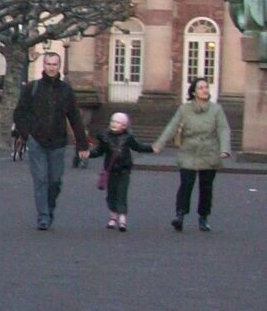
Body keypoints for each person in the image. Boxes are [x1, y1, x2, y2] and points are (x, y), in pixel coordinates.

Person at [11, 52, 90, 230]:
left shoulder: (65, 90)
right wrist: (26, 133)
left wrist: (82, 144)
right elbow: (19, 113)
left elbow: (75, 118)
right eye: (48, 64)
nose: (51, 67)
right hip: (36, 141)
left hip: (58, 142)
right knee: (40, 179)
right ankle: (43, 217)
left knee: (55, 181)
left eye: (54, 64)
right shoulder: (33, 88)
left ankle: (49, 207)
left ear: (59, 66)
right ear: (43, 66)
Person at [153, 77, 232, 232]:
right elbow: (172, 127)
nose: (204, 90)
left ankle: (203, 217)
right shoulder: (185, 109)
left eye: (206, 87)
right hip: (188, 151)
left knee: (206, 187)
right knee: (186, 185)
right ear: (194, 92)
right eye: (201, 88)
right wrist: (159, 144)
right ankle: (180, 215)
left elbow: (223, 129)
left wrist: (225, 149)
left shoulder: (216, 109)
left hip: (209, 151)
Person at [86, 112, 153, 232]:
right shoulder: (105, 137)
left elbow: (138, 147)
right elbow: (99, 151)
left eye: (118, 123)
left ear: (124, 126)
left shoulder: (128, 138)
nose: (114, 124)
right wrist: (88, 154)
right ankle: (113, 216)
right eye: (112, 121)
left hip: (124, 170)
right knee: (111, 195)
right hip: (110, 171)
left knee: (122, 194)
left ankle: (122, 219)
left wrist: (153, 148)